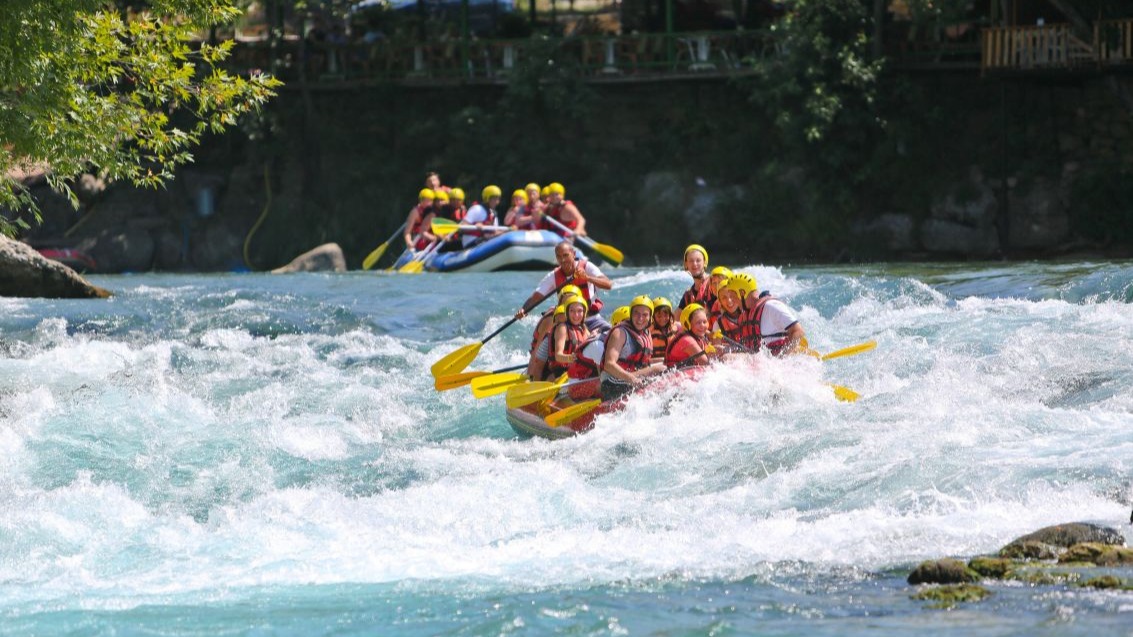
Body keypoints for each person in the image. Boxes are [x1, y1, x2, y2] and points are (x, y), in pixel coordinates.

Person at [516, 241, 613, 334]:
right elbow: (536, 297)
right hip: (568, 323)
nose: (562, 260)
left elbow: (608, 284)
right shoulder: (553, 276)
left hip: (592, 319)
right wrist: (524, 310)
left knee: (610, 334)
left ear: (573, 254)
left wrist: (587, 278)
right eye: (559, 256)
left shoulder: (587, 267)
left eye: (566, 255)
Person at [600, 295, 667, 401]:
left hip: (633, 376)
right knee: (657, 370)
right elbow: (609, 365)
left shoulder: (646, 333)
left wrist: (662, 360)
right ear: (631, 314)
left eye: (645, 315)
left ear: (650, 317)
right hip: (612, 382)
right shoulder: (620, 333)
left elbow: (643, 362)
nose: (640, 319)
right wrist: (632, 379)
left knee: (665, 367)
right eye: (637, 313)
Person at [726, 273, 806, 356]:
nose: (732, 301)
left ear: (742, 293)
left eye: (733, 297)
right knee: (724, 356)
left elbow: (798, 331)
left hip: (777, 361)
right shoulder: (744, 316)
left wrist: (782, 358)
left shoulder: (771, 306)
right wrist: (725, 349)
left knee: (727, 358)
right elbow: (746, 348)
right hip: (760, 360)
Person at [526, 284, 583, 380]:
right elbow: (537, 358)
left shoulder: (579, 322)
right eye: (566, 304)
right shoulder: (552, 320)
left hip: (568, 367)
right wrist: (530, 377)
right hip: (548, 366)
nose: (575, 314)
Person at [548, 296, 592, 378]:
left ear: (584, 313)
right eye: (572, 311)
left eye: (580, 311)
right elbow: (558, 356)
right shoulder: (562, 328)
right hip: (563, 373)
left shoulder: (584, 329)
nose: (576, 315)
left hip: (579, 371)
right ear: (567, 312)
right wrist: (572, 358)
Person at [664, 303, 715, 368]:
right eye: (698, 323)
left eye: (704, 322)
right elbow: (705, 362)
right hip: (674, 373)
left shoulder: (700, 336)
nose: (702, 325)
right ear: (688, 325)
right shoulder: (687, 340)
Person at [678, 244, 715, 310]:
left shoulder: (715, 283)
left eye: (698, 260)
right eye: (691, 261)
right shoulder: (688, 296)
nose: (694, 264)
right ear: (686, 264)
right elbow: (674, 318)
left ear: (705, 262)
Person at [712, 277, 746, 349]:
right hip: (733, 356)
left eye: (731, 296)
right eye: (724, 298)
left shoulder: (749, 315)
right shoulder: (718, 324)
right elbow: (716, 349)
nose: (729, 301)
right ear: (720, 302)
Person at [650, 296, 680, 361]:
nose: (663, 319)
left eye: (666, 315)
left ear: (670, 315)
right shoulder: (649, 331)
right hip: (656, 361)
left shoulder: (675, 326)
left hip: (672, 360)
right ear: (653, 316)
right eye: (659, 316)